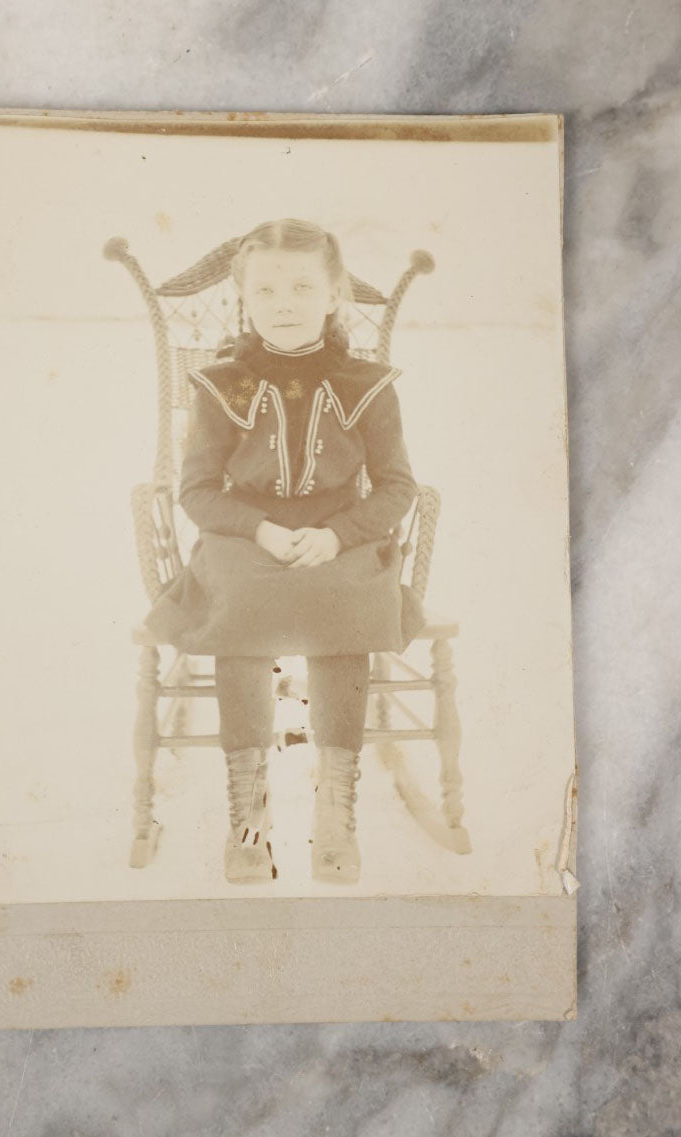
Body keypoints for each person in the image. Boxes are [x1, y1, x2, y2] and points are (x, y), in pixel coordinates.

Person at [144, 218, 424, 885]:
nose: (286, 303)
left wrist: (336, 534)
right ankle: (248, 810)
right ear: (245, 298)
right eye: (267, 289)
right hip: (246, 538)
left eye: (303, 286)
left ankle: (334, 803)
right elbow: (197, 492)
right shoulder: (221, 383)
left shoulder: (368, 383)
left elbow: (396, 488)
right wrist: (261, 529)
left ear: (334, 296)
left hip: (340, 534)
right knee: (240, 598)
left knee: (344, 594)